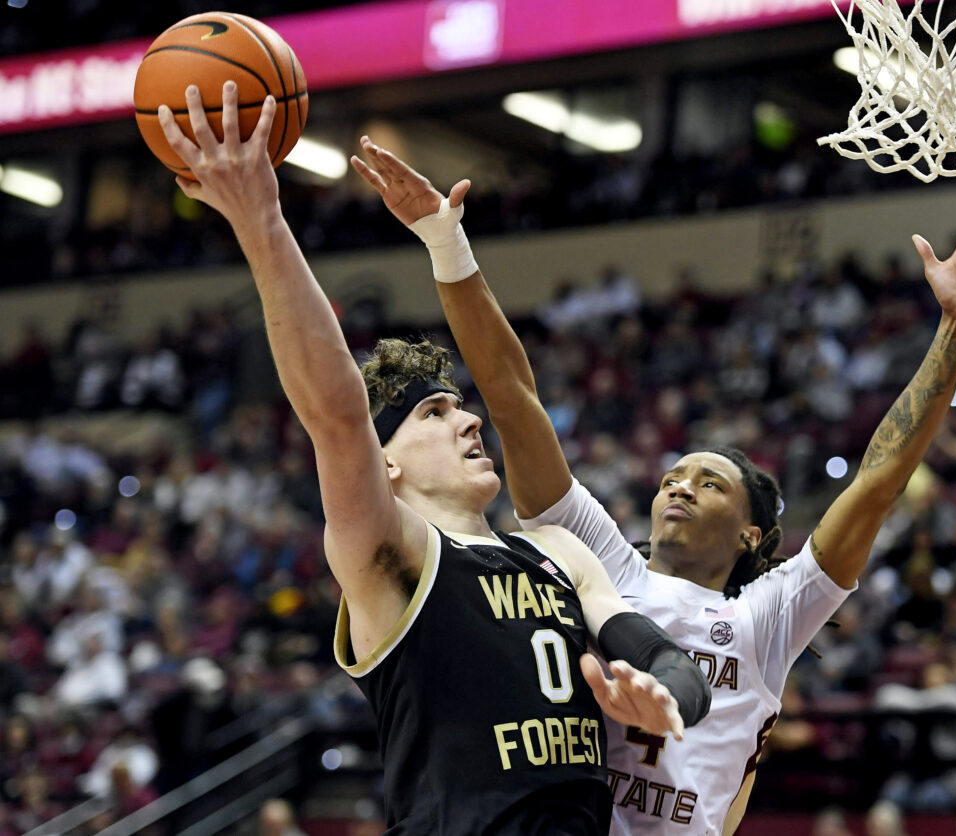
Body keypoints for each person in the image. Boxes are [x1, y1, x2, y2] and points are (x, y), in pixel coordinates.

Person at [352, 138, 956, 834]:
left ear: (750, 533)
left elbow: (878, 481)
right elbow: (512, 394)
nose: (678, 487)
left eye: (708, 484)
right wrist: (448, 245)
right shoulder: (594, 559)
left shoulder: (769, 617)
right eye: (673, 475)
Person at [155, 84, 710, 836]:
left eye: (458, 403)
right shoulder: (393, 558)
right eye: (433, 412)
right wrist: (262, 219)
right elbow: (337, 414)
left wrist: (667, 693)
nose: (467, 417)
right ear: (386, 463)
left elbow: (663, 656)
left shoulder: (557, 551)